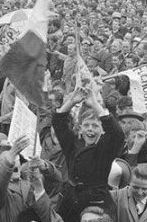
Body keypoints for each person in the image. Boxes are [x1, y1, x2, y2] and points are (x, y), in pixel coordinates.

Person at [52, 87, 124, 222]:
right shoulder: (73, 145)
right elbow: (58, 123)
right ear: (80, 129)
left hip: (95, 202)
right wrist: (71, 101)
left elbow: (117, 135)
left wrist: (95, 104)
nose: (90, 129)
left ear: (102, 130)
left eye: (95, 126)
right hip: (70, 200)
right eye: (87, 125)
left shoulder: (104, 148)